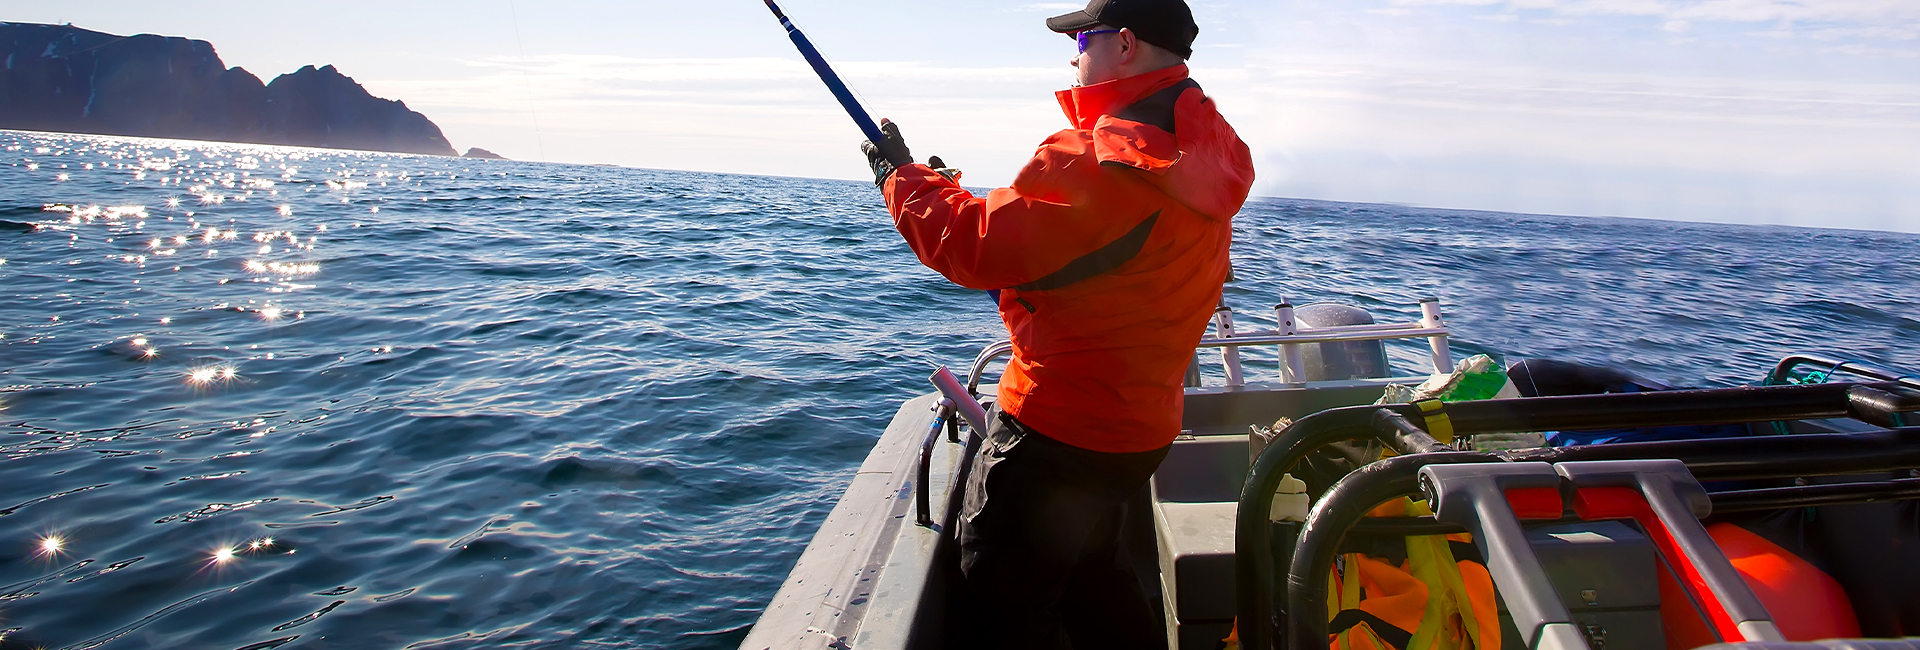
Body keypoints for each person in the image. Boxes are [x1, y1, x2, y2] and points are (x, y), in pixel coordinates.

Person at [860, 0, 1255, 646]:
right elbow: (1091, 250)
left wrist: (901, 181)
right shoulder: (1204, 149)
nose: (1073, 53)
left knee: (1001, 594)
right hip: (1138, 428)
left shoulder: (1099, 154)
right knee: (1091, 574)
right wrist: (946, 187)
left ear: (1124, 44)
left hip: (1059, 431)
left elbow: (973, 245)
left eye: (1083, 37)